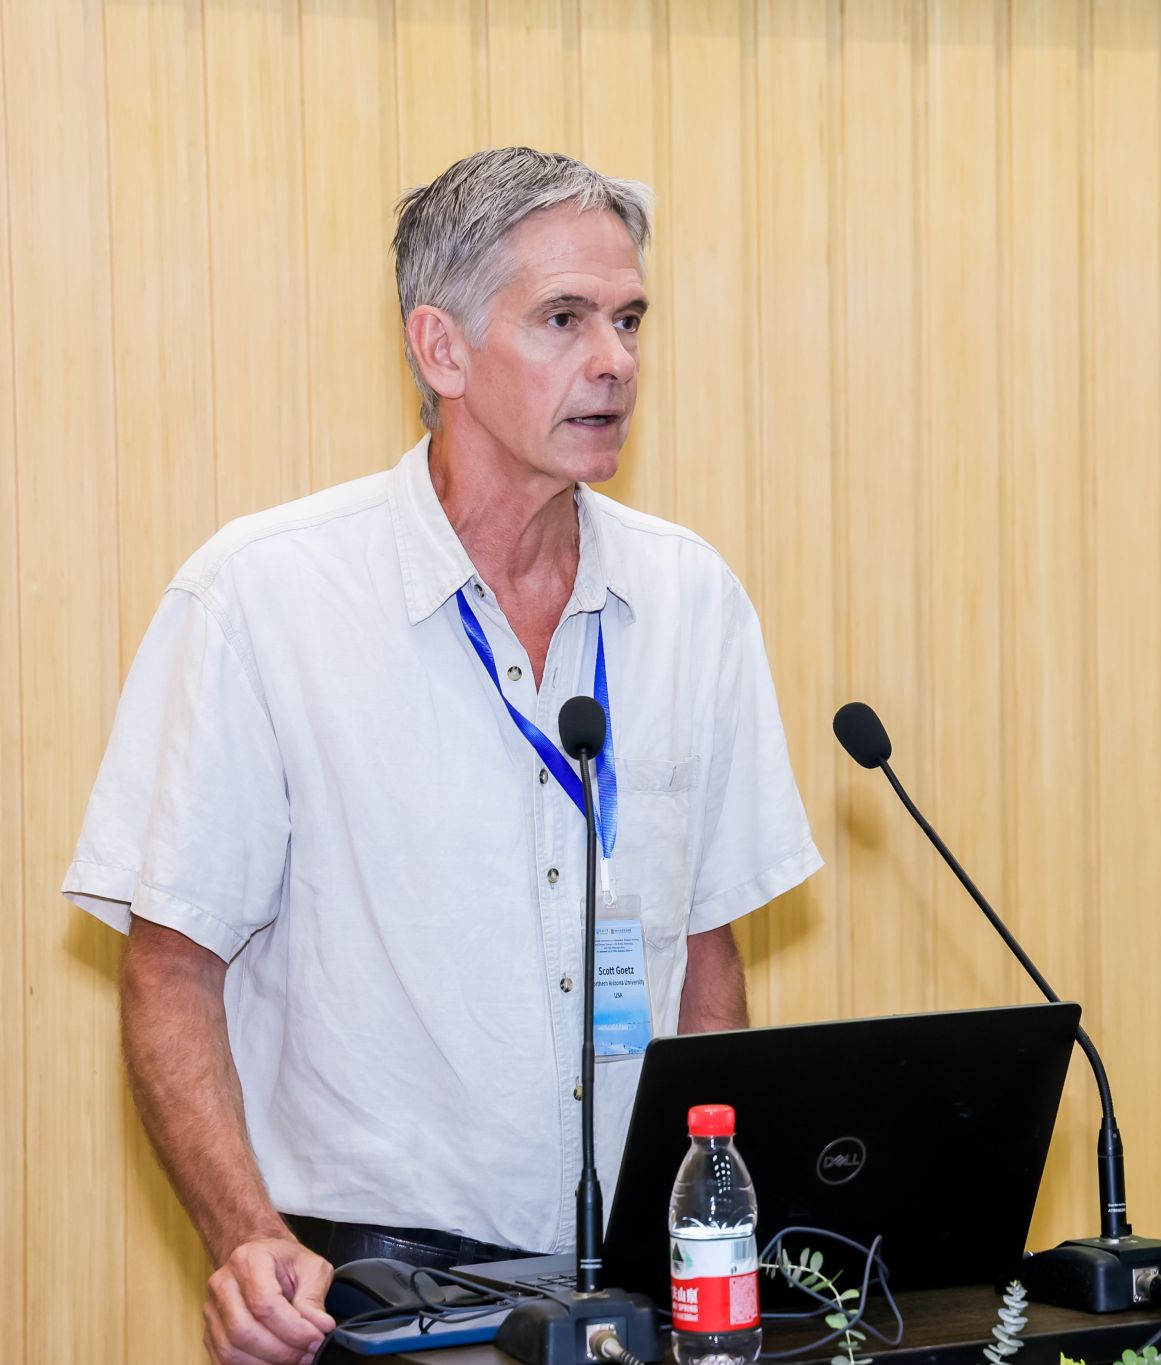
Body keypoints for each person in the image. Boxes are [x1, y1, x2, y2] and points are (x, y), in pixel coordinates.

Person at [62, 148, 822, 1365]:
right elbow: (169, 969)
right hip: (374, 1295)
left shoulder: (693, 599)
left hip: (641, 1284)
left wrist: (706, 1233)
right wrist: (246, 1239)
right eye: (563, 319)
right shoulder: (263, 597)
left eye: (629, 319)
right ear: (441, 349)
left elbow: (705, 954)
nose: (615, 360)